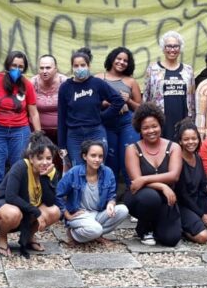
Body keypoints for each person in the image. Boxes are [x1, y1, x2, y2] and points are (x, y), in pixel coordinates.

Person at [0, 131, 61, 256]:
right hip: (4, 206)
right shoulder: (21, 167)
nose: (45, 162)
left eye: (48, 158)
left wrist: (44, 177)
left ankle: (29, 237)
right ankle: (2, 237)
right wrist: (36, 212)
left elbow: (49, 201)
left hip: (27, 209)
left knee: (54, 211)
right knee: (13, 213)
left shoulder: (51, 171)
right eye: (40, 158)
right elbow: (11, 197)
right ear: (31, 158)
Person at [124, 103, 182, 247]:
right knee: (150, 197)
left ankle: (157, 224)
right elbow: (136, 182)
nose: (151, 131)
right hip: (140, 197)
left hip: (166, 200)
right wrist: (162, 186)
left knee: (171, 239)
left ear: (161, 125)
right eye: (146, 128)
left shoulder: (174, 147)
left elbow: (174, 176)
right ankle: (144, 228)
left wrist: (145, 179)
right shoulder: (133, 149)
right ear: (140, 129)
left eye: (154, 126)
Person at [57, 47, 124, 169]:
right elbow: (61, 117)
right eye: (76, 66)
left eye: (83, 65)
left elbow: (118, 100)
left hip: (95, 133)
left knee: (97, 168)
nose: (79, 68)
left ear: (89, 66)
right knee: (78, 170)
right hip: (74, 136)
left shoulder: (97, 83)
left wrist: (103, 116)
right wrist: (61, 145)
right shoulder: (65, 87)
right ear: (72, 67)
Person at [0, 51, 41, 190]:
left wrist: (39, 135)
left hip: (20, 131)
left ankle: (16, 203)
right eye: (14, 65)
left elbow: (34, 113)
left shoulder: (27, 84)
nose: (17, 69)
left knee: (18, 170)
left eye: (21, 67)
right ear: (7, 65)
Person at [56, 139, 130, 245]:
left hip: (98, 213)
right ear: (85, 156)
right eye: (93, 155)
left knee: (123, 210)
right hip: (79, 215)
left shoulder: (107, 173)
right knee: (96, 229)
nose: (97, 159)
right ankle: (73, 234)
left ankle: (93, 234)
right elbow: (58, 194)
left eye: (100, 156)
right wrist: (67, 215)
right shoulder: (74, 172)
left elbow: (111, 195)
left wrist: (111, 204)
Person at [97, 47, 142, 181]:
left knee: (128, 159)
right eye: (119, 59)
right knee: (109, 160)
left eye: (125, 61)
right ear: (112, 59)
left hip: (127, 124)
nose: (121, 62)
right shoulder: (99, 78)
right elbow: (90, 102)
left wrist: (128, 101)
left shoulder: (131, 81)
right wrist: (108, 103)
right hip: (106, 124)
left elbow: (140, 108)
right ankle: (111, 196)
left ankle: (133, 193)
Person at [143, 31, 195, 136]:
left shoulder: (188, 70)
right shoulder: (152, 69)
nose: (172, 49)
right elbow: (146, 97)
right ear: (163, 48)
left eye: (176, 46)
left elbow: (192, 98)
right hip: (159, 119)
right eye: (168, 46)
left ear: (180, 49)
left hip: (182, 118)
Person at [175, 121, 207, 244]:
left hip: (197, 198)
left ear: (198, 139)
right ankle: (182, 229)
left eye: (194, 138)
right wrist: (202, 214)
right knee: (203, 237)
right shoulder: (177, 161)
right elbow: (182, 196)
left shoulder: (197, 157)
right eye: (186, 139)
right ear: (180, 141)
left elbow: (204, 185)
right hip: (183, 205)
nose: (191, 142)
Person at [32, 54, 67, 146]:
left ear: (55, 69)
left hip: (62, 131)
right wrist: (38, 134)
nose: (44, 71)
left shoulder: (65, 82)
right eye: (41, 68)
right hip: (39, 131)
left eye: (48, 68)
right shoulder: (32, 83)